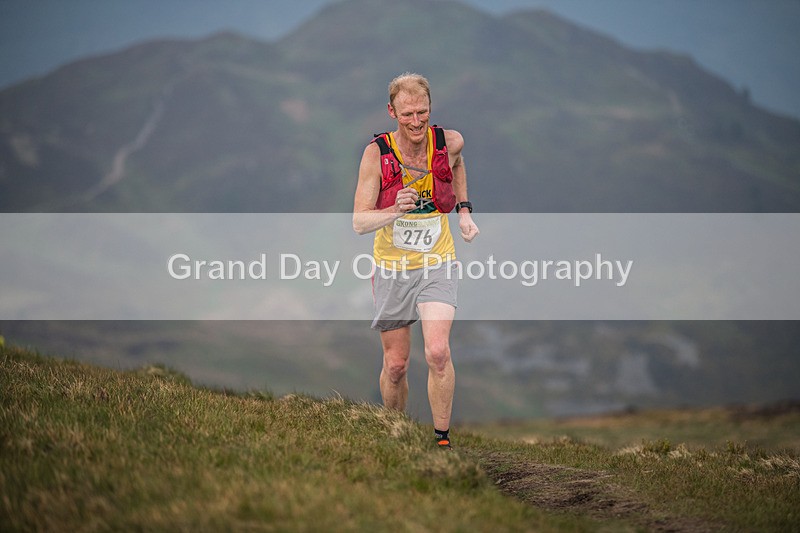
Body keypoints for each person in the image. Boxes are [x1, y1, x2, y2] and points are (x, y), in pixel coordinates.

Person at [353, 72, 479, 449]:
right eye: (407, 114)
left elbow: (456, 165)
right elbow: (360, 221)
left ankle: (442, 441)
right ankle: (397, 434)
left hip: (437, 261)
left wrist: (464, 211)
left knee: (438, 352)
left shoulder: (449, 141)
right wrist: (393, 210)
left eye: (422, 112)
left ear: (430, 108)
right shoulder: (377, 154)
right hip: (391, 268)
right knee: (396, 365)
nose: (416, 121)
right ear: (392, 111)